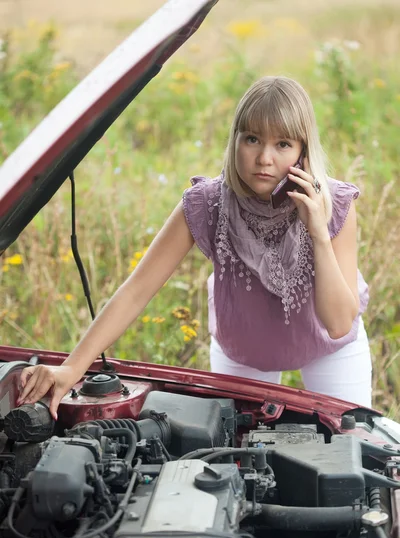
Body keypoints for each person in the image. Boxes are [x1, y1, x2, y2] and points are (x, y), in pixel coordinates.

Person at [18, 76, 372, 419]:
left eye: (282, 144)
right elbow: (136, 291)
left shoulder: (335, 201)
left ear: (303, 152)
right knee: (241, 461)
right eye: (252, 139)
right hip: (245, 350)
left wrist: (318, 233)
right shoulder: (207, 202)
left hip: (329, 349)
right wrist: (70, 369)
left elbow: (339, 323)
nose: (264, 158)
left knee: (354, 455)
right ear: (234, 140)